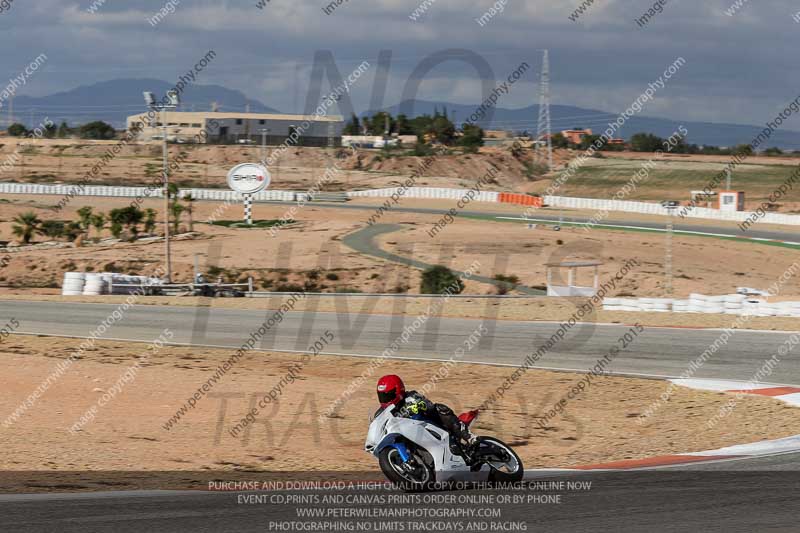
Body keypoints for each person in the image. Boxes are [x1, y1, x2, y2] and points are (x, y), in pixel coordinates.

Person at [376, 375, 477, 454]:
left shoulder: (411, 396)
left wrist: (419, 406)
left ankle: (468, 436)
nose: (386, 400)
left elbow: (429, 406)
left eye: (388, 395)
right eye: (382, 396)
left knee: (439, 408)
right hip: (410, 439)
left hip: (432, 429)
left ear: (398, 391)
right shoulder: (382, 413)